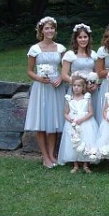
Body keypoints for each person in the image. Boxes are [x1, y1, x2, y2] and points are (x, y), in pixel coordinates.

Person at [23, 16, 66, 169]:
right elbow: (29, 71)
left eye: (52, 28)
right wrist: (39, 78)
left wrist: (60, 77)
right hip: (41, 88)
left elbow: (66, 69)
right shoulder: (35, 49)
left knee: (54, 120)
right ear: (41, 30)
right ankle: (45, 156)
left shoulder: (60, 48)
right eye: (46, 28)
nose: (50, 31)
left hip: (56, 87)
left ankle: (52, 154)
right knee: (41, 121)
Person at [57, 74, 99, 174]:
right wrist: (70, 119)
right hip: (73, 124)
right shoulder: (69, 99)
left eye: (79, 86)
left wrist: (82, 119)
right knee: (74, 143)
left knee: (85, 142)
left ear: (83, 87)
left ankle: (85, 164)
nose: (76, 88)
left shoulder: (87, 98)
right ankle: (75, 164)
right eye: (74, 85)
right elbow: (65, 113)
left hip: (85, 123)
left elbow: (91, 112)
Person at [61, 23, 99, 113]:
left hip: (91, 90)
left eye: (85, 37)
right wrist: (78, 84)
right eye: (80, 37)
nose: (83, 40)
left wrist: (95, 84)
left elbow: (97, 73)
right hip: (76, 90)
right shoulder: (70, 55)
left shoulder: (93, 54)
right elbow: (64, 75)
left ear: (89, 38)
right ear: (75, 39)